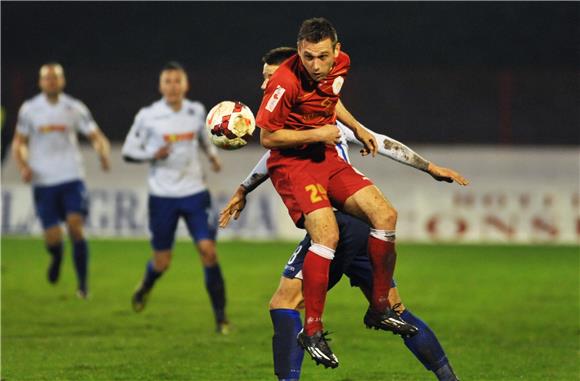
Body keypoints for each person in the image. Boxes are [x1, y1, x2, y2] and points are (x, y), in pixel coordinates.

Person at [220, 46, 465, 380]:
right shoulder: (300, 120)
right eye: (264, 79)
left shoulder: (320, 116)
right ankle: (449, 377)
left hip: (337, 222)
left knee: (283, 305)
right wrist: (244, 188)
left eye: (271, 77)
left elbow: (379, 141)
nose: (266, 87)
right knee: (396, 309)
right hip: (364, 230)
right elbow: (276, 152)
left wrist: (429, 166)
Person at [121, 62, 229, 334]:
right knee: (162, 261)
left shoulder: (196, 112)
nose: (172, 86)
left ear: (185, 85)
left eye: (176, 81)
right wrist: (151, 154)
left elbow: (205, 140)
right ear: (160, 86)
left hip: (194, 193)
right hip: (162, 196)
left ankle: (221, 318)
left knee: (208, 251)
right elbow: (128, 149)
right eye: (167, 81)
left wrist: (214, 157)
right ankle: (146, 285)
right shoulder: (148, 116)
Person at [11, 63, 111, 299]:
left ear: (62, 81)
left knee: (76, 227)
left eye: (55, 78)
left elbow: (96, 136)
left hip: (71, 176)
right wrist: (24, 166)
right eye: (47, 78)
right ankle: (56, 256)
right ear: (40, 82)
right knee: (53, 238)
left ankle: (82, 285)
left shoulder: (74, 108)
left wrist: (102, 152)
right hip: (43, 180)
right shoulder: (30, 109)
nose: (52, 82)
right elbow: (20, 142)